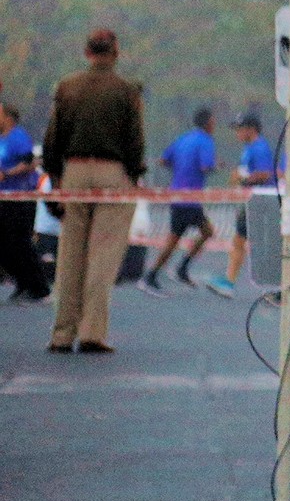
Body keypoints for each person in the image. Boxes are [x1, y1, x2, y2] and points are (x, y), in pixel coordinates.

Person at [43, 30, 145, 354]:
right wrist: (134, 175)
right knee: (102, 257)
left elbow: (53, 137)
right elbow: (135, 140)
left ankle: (62, 333)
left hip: (74, 172)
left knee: (70, 255)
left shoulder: (67, 87)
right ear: (116, 53)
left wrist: (55, 178)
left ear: (87, 53)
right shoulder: (127, 91)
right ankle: (91, 332)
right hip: (113, 173)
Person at [141, 108, 221, 294]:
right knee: (174, 240)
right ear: (208, 123)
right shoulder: (206, 141)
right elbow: (206, 166)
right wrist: (216, 166)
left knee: (207, 231)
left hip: (179, 195)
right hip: (189, 199)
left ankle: (181, 268)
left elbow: (163, 160)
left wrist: (182, 169)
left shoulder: (183, 138)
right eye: (213, 121)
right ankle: (151, 275)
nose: (215, 125)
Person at [212, 111, 277, 300]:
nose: (237, 133)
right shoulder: (248, 149)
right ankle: (229, 281)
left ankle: (233, 282)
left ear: (251, 129)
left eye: (240, 128)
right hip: (251, 202)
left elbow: (265, 174)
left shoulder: (260, 147)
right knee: (240, 241)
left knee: (260, 244)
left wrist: (243, 178)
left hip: (261, 202)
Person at [0, 104, 47, 302]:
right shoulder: (2, 139)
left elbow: (30, 162)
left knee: (20, 242)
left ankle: (39, 288)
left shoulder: (18, 137)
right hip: (4, 198)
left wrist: (7, 173)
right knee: (4, 244)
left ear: (8, 118)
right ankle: (22, 282)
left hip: (20, 197)